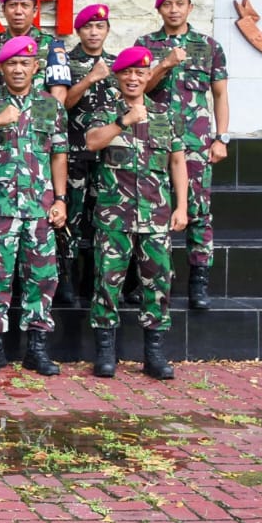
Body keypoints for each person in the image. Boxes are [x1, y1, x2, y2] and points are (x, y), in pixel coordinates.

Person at [0, 35, 68, 377]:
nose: (18, 69)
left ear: (36, 68)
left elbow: (58, 154)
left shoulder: (51, 105)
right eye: (12, 63)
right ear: (2, 68)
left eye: (25, 63)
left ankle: (37, 348)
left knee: (42, 279)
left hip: (40, 208)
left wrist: (61, 199)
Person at [82, 45, 189, 380]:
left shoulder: (165, 115)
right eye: (127, 72)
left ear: (148, 76)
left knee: (157, 283)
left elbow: (177, 162)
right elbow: (92, 142)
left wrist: (182, 206)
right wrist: (122, 121)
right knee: (107, 283)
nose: (133, 78)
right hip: (114, 216)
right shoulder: (105, 111)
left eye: (140, 73)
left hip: (156, 216)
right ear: (117, 76)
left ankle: (154, 354)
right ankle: (105, 353)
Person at [137, 0, 230, 311]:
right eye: (168, 4)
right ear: (159, 9)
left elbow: (220, 94)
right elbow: (138, 87)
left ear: (190, 7)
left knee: (198, 209)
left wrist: (221, 137)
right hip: (154, 139)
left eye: (180, 4)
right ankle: (148, 278)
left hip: (195, 141)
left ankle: (198, 279)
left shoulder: (208, 47)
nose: (174, 9)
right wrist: (164, 64)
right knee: (151, 207)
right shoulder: (146, 44)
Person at [59, 3, 119, 306]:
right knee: (71, 216)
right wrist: (89, 79)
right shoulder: (65, 63)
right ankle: (66, 277)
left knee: (105, 217)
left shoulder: (118, 64)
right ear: (78, 30)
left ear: (107, 30)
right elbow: (60, 105)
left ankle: (100, 279)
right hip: (75, 154)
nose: (94, 32)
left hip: (111, 157)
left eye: (99, 26)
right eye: (87, 27)